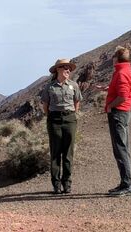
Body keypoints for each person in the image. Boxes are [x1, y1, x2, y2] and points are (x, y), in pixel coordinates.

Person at [41, 59, 82, 194]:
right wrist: (52, 117)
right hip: (54, 120)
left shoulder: (74, 85)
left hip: (70, 119)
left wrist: (73, 115)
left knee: (68, 153)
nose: (68, 70)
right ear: (57, 69)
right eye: (65, 67)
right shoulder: (50, 87)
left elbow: (77, 102)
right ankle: (56, 184)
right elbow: (45, 106)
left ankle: (67, 183)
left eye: (69, 68)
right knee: (55, 152)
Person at [102, 46, 131, 196]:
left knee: (120, 148)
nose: (112, 59)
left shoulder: (121, 73)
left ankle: (128, 184)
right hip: (124, 112)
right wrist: (108, 88)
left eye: (113, 56)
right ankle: (125, 183)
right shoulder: (128, 71)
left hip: (118, 113)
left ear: (117, 58)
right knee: (123, 147)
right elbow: (129, 92)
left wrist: (110, 106)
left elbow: (123, 96)